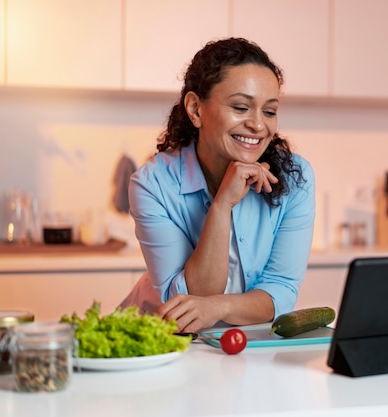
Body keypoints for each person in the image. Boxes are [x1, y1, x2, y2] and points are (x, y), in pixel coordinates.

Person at [120, 38, 316, 334]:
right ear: (196, 109)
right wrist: (223, 204)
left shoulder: (294, 178)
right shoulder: (153, 184)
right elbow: (183, 304)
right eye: (240, 107)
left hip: (238, 341)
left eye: (269, 111)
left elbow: (282, 292)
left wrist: (220, 307)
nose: (258, 125)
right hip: (157, 340)